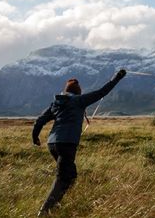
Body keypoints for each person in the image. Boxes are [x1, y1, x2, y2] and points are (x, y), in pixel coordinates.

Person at [32, 69, 127, 217]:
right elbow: (103, 91)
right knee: (62, 177)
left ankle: (60, 203)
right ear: (78, 92)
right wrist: (118, 77)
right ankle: (44, 212)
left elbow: (40, 120)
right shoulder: (79, 100)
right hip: (67, 144)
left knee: (71, 174)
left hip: (52, 144)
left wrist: (35, 137)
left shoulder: (56, 103)